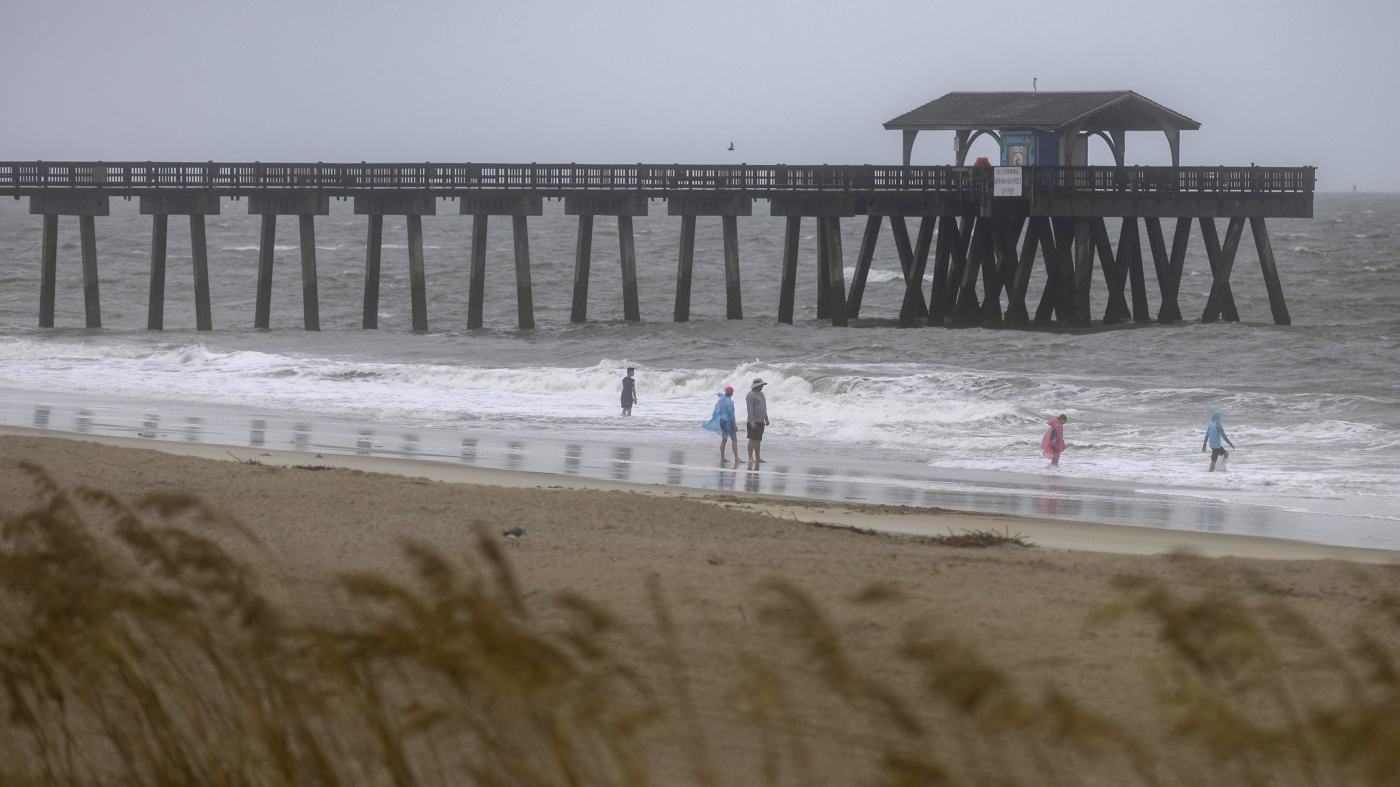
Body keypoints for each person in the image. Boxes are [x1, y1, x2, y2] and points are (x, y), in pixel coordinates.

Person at [701, 386, 740, 462]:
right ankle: (736, 458)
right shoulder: (730, 402)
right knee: (734, 439)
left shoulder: (721, 401)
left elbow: (718, 411)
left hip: (722, 421)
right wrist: (734, 425)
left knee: (724, 439)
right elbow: (731, 414)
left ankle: (722, 457)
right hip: (728, 421)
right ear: (731, 393)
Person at [745, 378, 770, 465]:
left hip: (761, 420)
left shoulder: (761, 394)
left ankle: (758, 457)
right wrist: (751, 421)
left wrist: (766, 418)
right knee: (752, 439)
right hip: (753, 421)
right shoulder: (751, 395)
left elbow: (764, 406)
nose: (762, 386)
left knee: (758, 439)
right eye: (761, 385)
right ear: (757, 386)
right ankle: (750, 457)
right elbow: (749, 409)